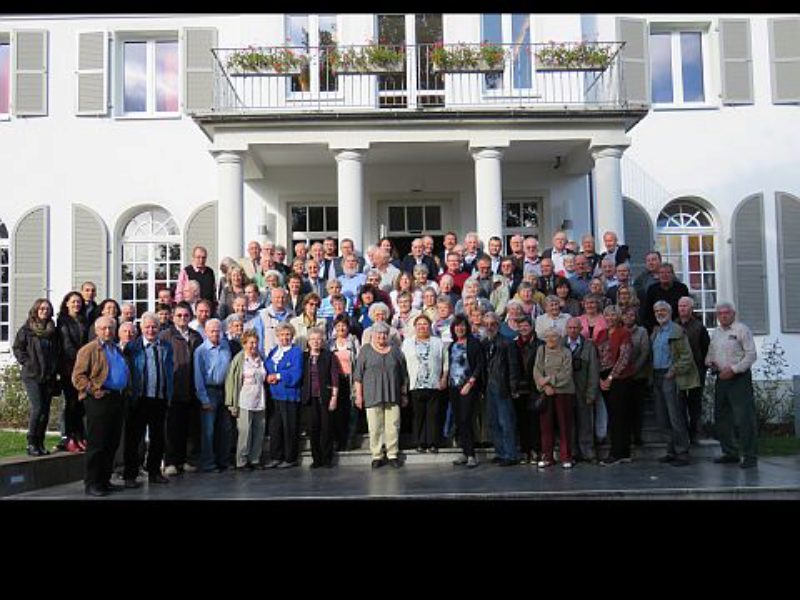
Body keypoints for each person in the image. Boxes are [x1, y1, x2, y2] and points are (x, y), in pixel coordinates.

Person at [72, 316, 130, 496]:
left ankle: (105, 480)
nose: (108, 332)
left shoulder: (116, 349)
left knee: (112, 443)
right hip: (99, 399)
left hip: (117, 399)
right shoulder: (89, 350)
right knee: (97, 444)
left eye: (111, 328)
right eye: (104, 328)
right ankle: (92, 483)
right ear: (97, 330)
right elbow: (78, 377)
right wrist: (92, 389)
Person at [122, 312, 174, 487]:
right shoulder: (133, 347)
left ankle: (154, 472)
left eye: (154, 327)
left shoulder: (166, 346)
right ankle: (130, 474)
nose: (151, 330)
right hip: (139, 398)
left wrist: (169, 395)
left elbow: (169, 372)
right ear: (141, 329)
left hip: (159, 397)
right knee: (134, 438)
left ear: (159, 328)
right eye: (147, 327)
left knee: (158, 438)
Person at [706, 301, 758, 469]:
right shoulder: (717, 333)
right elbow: (711, 352)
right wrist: (710, 363)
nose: (723, 316)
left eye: (726, 313)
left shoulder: (742, 330)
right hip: (721, 377)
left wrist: (734, 369)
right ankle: (730, 452)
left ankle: (750, 456)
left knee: (744, 418)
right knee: (722, 417)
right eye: (720, 313)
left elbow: (751, 355)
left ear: (733, 314)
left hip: (739, 378)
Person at [354, 320, 409, 469]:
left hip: (393, 393)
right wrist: (359, 395)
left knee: (393, 425)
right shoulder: (365, 350)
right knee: (375, 426)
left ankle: (392, 454)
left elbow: (403, 374)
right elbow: (358, 376)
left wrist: (404, 394)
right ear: (373, 335)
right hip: (372, 394)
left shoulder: (396, 350)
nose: (381, 337)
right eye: (378, 334)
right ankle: (377, 455)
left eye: (384, 334)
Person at [650, 301, 698, 467]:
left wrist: (674, 370)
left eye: (663, 310)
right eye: (657, 310)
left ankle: (682, 452)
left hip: (671, 376)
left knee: (675, 416)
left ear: (669, 312)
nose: (660, 313)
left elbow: (687, 357)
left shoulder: (677, 331)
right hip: (656, 376)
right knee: (662, 417)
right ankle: (671, 451)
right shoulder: (656, 331)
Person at [13, 298, 61, 457]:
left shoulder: (52, 330)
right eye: (41, 309)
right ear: (36, 310)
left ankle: (40, 442)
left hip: (49, 375)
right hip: (32, 375)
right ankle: (31, 442)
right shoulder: (26, 329)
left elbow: (57, 352)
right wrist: (27, 362)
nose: (44, 311)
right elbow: (18, 348)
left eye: (47, 309)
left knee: (45, 411)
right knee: (38, 407)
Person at [161, 302, 204, 476]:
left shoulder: (196, 336)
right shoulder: (166, 335)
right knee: (172, 428)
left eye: (186, 315)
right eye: (179, 315)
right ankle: (171, 461)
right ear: (173, 317)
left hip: (192, 387)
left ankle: (186, 460)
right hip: (174, 388)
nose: (182, 318)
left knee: (190, 428)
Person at [403, 315, 448, 454]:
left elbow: (445, 361)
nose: (422, 327)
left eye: (425, 324)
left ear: (430, 326)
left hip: (433, 383)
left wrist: (444, 378)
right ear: (415, 327)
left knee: (433, 415)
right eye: (419, 324)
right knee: (418, 415)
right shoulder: (407, 343)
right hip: (415, 384)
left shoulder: (438, 342)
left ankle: (433, 443)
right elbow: (403, 364)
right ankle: (420, 442)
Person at [596, 305, 636, 466]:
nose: (610, 318)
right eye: (607, 315)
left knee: (619, 417)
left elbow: (624, 358)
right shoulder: (601, 334)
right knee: (613, 416)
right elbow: (597, 357)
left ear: (618, 317)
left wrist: (610, 378)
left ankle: (618, 453)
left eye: (613, 315)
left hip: (620, 379)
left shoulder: (624, 333)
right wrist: (600, 378)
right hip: (604, 377)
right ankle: (621, 452)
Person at [193, 318, 234, 473]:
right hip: (209, 391)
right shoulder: (201, 351)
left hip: (225, 390)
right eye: (212, 331)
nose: (216, 334)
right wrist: (203, 399)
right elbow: (198, 377)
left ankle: (223, 461)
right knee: (208, 431)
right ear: (206, 332)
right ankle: (208, 463)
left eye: (218, 331)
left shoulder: (225, 346)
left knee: (225, 428)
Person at [224, 329, 267, 471]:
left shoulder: (260, 358)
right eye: (250, 343)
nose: (253, 346)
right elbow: (231, 380)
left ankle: (254, 459)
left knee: (259, 431)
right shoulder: (239, 359)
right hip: (244, 400)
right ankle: (241, 461)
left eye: (255, 342)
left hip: (259, 399)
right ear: (244, 344)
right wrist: (232, 403)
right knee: (245, 432)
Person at [264, 323, 304, 468]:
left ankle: (290, 458)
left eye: (287, 334)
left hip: (289, 395)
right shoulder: (274, 351)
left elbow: (296, 372)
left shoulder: (296, 352)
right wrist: (268, 376)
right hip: (274, 395)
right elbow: (267, 367)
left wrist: (279, 376)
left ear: (292, 336)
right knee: (276, 427)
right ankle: (276, 456)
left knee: (289, 427)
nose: (284, 337)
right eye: (281, 335)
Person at [482, 312, 520, 467]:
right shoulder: (484, 343)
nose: (490, 327)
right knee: (493, 422)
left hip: (502, 385)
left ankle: (510, 454)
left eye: (493, 324)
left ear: (498, 325)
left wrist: (513, 387)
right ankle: (500, 451)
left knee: (506, 421)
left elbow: (513, 366)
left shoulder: (507, 342)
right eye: (487, 324)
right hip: (489, 385)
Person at [533, 328, 575, 469]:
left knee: (564, 426)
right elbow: (537, 370)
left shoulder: (566, 352)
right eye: (548, 337)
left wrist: (550, 381)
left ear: (559, 338)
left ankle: (566, 457)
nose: (551, 339)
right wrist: (544, 387)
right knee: (546, 427)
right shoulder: (541, 350)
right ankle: (547, 457)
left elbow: (566, 374)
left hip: (563, 392)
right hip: (546, 393)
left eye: (554, 337)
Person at [302, 327, 340, 468]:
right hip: (309, 398)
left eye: (318, 339)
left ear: (323, 341)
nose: (316, 342)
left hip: (325, 397)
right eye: (313, 339)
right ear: (308, 341)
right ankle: (316, 459)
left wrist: (334, 397)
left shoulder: (328, 356)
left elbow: (334, 377)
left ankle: (326, 459)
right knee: (313, 428)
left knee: (326, 428)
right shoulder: (304, 357)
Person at [565, 317, 600, 463]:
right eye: (570, 328)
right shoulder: (560, 344)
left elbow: (593, 371)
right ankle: (571, 452)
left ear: (581, 329)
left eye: (575, 328)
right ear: (566, 329)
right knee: (569, 424)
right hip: (565, 391)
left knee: (585, 423)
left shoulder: (589, 346)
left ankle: (588, 452)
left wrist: (591, 392)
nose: (573, 330)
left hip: (583, 390)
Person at [57, 291, 88, 453]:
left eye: (78, 302)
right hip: (69, 368)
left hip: (83, 368)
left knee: (80, 404)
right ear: (67, 303)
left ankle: (78, 436)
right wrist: (81, 359)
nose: (76, 304)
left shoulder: (83, 320)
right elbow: (67, 345)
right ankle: (68, 437)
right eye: (73, 302)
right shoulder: (63, 321)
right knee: (70, 403)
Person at [677, 296, 711, 442]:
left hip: (696, 370)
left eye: (685, 306)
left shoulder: (699, 327)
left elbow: (706, 348)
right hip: (679, 370)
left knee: (695, 402)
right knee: (680, 403)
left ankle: (695, 431)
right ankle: (683, 432)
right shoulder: (674, 325)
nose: (682, 308)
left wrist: (703, 367)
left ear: (691, 309)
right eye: (680, 306)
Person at [512, 315, 543, 465]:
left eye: (526, 326)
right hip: (519, 388)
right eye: (521, 326)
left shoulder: (540, 345)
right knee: (522, 422)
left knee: (535, 422)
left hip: (535, 387)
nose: (523, 328)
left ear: (532, 327)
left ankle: (536, 450)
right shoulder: (513, 345)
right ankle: (525, 451)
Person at [329, 315, 362, 451]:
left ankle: (350, 441)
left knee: (352, 411)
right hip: (336, 381)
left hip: (351, 380)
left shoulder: (353, 341)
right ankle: (338, 440)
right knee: (337, 412)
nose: (341, 328)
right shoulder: (330, 343)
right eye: (338, 326)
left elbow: (359, 361)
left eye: (343, 325)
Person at [622, 305, 651, 448]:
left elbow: (645, 352)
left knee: (638, 408)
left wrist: (634, 369)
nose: (629, 318)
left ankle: (638, 436)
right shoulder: (619, 331)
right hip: (622, 376)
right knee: (625, 408)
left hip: (638, 376)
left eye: (632, 315)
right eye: (626, 315)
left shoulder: (642, 331)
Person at [643, 263, 690, 331]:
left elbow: (686, 309)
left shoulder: (682, 289)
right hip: (657, 328)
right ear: (658, 275)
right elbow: (648, 312)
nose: (665, 275)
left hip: (679, 327)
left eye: (668, 272)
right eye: (662, 273)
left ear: (673, 275)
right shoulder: (652, 290)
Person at [249, 287, 295, 356]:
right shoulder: (261, 315)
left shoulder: (292, 315)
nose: (280, 300)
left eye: (283, 297)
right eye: (277, 297)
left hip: (288, 356)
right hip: (268, 356)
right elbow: (259, 339)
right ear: (271, 299)